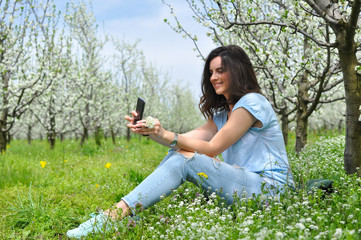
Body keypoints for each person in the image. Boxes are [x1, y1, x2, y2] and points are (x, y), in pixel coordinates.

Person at [66, 45, 294, 238]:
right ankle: (120, 212)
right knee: (180, 153)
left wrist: (167, 135)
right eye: (211, 72)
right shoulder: (223, 113)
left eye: (220, 71)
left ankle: (112, 216)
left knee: (185, 158)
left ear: (237, 72)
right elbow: (190, 139)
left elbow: (213, 148)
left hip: (270, 191)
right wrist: (153, 131)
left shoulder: (252, 103)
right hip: (243, 186)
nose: (213, 77)